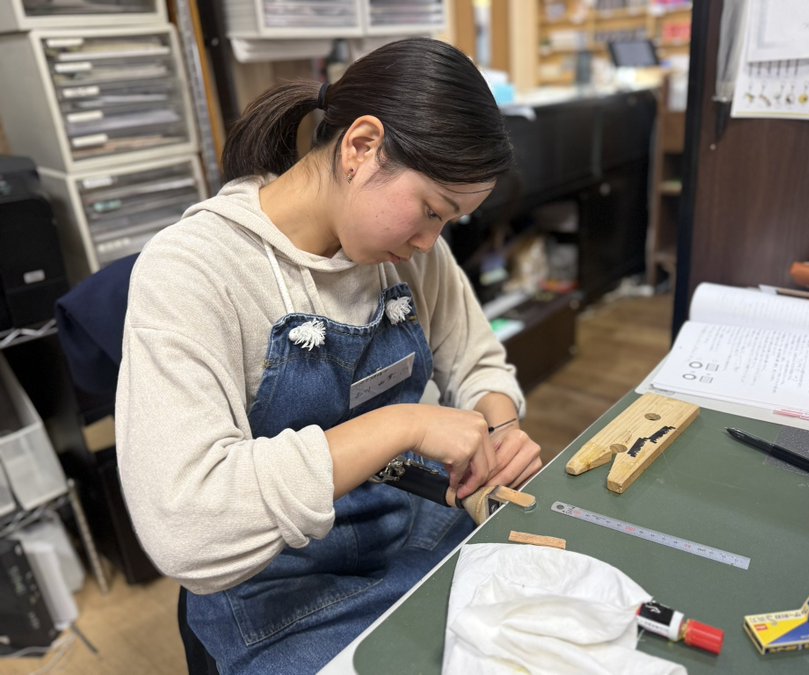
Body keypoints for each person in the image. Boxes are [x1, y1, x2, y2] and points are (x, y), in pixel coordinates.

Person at [116, 37, 542, 673]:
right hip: (279, 592)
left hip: (408, 533)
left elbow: (475, 357)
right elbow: (188, 523)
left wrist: (500, 422)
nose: (430, 242)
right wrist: (405, 423)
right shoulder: (195, 271)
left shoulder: (410, 254)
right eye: (430, 211)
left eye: (449, 222)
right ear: (361, 147)